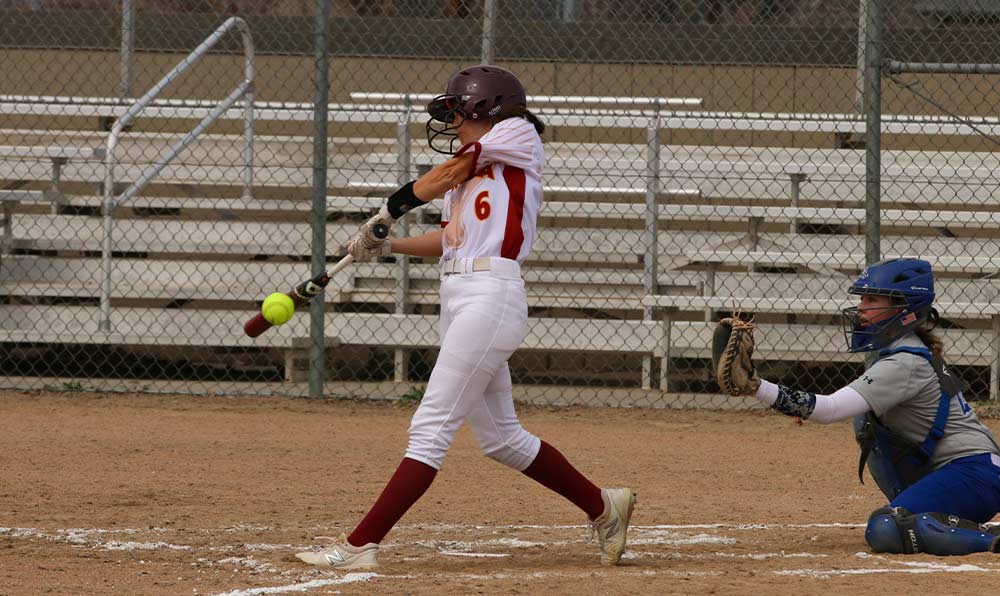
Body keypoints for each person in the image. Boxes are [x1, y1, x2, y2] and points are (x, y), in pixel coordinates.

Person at [295, 65, 637, 569]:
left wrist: (388, 212)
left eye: (456, 110)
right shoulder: (470, 170)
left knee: (430, 427)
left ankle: (359, 546)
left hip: (490, 295)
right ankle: (604, 506)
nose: (451, 121)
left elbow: (444, 176)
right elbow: (451, 241)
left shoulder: (516, 133)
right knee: (502, 439)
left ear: (486, 107)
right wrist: (388, 245)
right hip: (461, 293)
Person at [722, 258, 1000, 555]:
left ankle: (989, 540)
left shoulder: (904, 363)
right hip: (971, 473)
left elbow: (829, 410)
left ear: (903, 308)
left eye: (872, 299)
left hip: (973, 474)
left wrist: (755, 386)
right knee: (867, 423)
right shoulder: (905, 353)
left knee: (885, 528)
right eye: (862, 299)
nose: (862, 308)